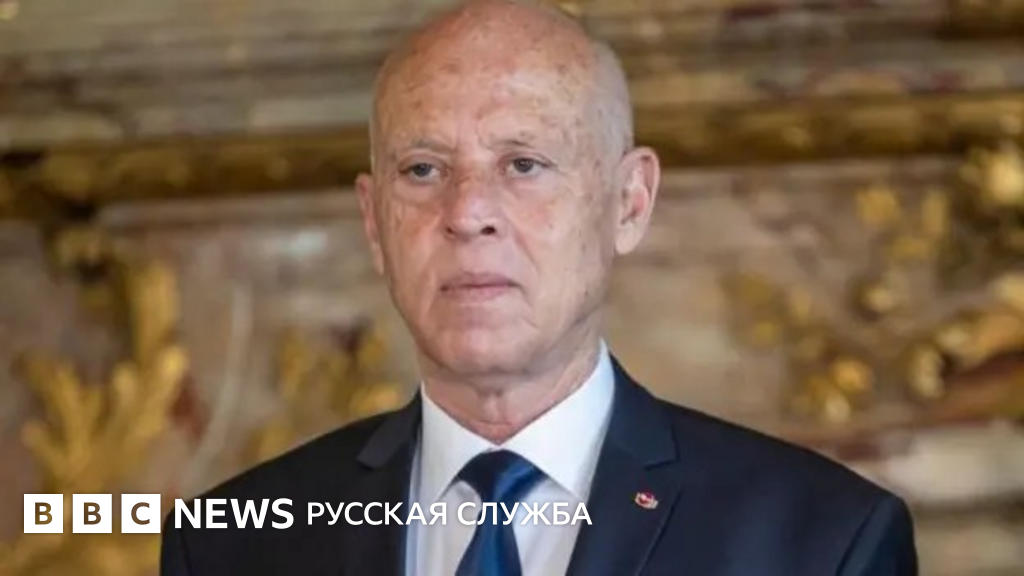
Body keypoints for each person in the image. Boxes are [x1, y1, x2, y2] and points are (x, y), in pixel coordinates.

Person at [160, 0, 918, 574]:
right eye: (423, 169)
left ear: (629, 203)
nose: (468, 214)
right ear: (374, 220)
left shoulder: (822, 541)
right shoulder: (229, 545)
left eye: (524, 164)